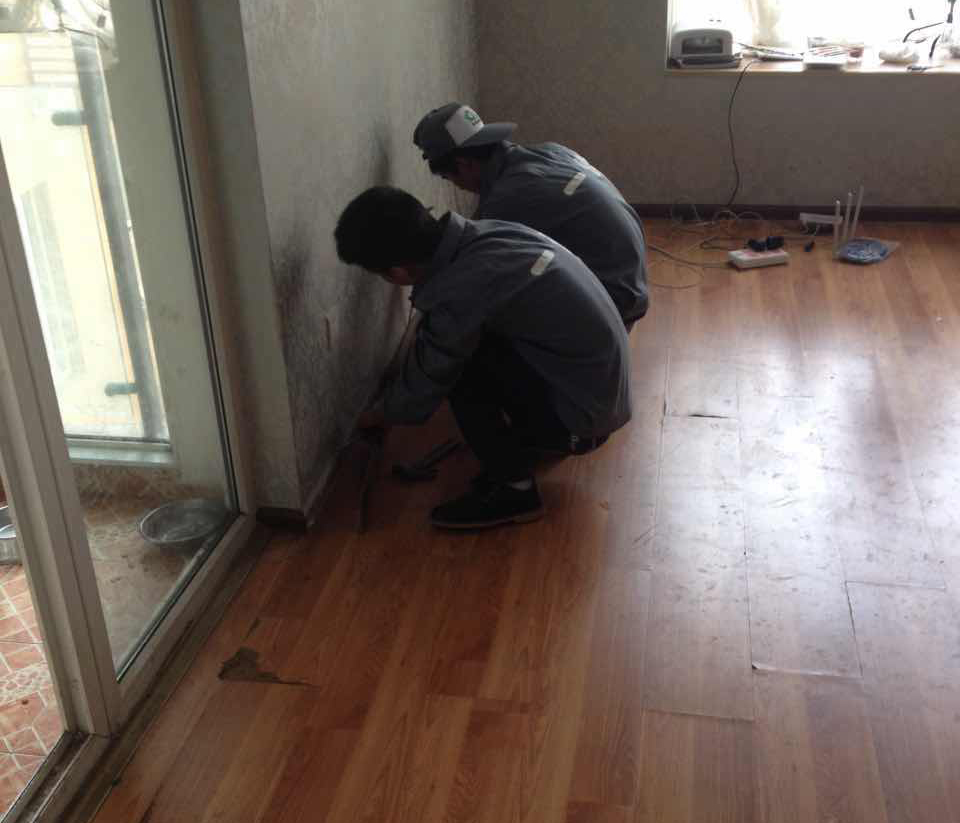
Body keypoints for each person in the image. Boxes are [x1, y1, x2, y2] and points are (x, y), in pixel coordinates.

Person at [334, 186, 631, 530]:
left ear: (397, 272)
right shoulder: (486, 234)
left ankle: (515, 491)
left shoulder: (461, 288)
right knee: (466, 344)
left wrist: (380, 414)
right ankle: (526, 445)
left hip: (583, 422)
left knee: (458, 370)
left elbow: (428, 380)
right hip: (601, 395)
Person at [413, 103, 649, 329]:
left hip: (615, 305)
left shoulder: (507, 200)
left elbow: (483, 278)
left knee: (488, 315)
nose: (457, 186)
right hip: (630, 284)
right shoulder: (550, 152)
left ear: (464, 164)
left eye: (447, 177)